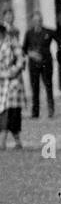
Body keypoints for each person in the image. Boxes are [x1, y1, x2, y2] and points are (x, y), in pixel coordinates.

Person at [0, 8, 26, 149]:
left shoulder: (12, 39)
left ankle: (15, 140)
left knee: (12, 113)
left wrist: (12, 72)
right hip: (2, 81)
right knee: (3, 112)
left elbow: (20, 58)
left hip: (11, 81)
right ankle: (3, 142)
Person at [23, 15, 55, 118]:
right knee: (35, 87)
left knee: (48, 86)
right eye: (35, 21)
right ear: (32, 22)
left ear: (42, 21)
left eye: (39, 20)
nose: (37, 22)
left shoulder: (48, 32)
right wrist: (32, 54)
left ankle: (51, 109)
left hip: (46, 63)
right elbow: (24, 49)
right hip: (33, 65)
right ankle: (35, 112)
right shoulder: (29, 33)